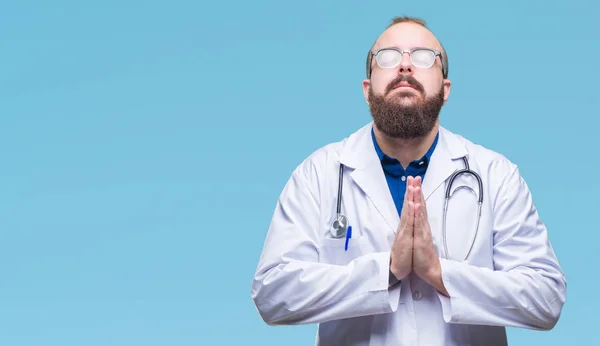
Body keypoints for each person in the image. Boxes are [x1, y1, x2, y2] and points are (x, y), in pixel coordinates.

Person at [250, 16, 567, 346]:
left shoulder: (496, 176)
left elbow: (546, 298)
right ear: (366, 89)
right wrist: (384, 271)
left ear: (445, 89)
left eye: (423, 57)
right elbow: (271, 293)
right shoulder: (318, 175)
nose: (404, 66)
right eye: (387, 56)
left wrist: (440, 274)